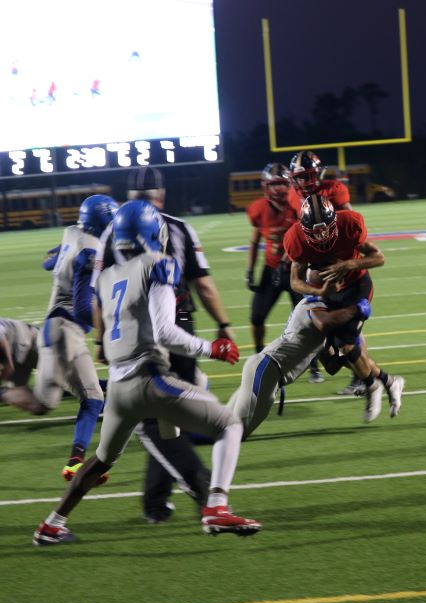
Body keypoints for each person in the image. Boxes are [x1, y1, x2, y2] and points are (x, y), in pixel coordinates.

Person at [33, 201, 260, 545]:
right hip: (149, 380)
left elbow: (107, 332)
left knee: (101, 460)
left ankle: (51, 525)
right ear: (155, 232)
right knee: (230, 423)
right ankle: (215, 507)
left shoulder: (107, 276)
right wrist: (212, 348)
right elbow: (166, 332)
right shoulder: (160, 263)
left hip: (120, 390)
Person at [93, 166, 230, 523]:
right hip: (175, 328)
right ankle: (199, 489)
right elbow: (204, 284)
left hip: (131, 333)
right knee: (165, 420)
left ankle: (158, 502)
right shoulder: (180, 228)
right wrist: (223, 326)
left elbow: (98, 294)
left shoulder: (111, 233)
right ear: (162, 195)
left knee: (162, 420)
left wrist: (100, 339)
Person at [284, 195, 405, 423]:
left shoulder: (349, 224)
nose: (321, 235)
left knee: (347, 347)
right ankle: (389, 380)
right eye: (314, 232)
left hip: (356, 287)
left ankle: (372, 386)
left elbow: (379, 257)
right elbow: (295, 281)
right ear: (303, 228)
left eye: (325, 229)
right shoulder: (296, 238)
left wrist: (348, 264)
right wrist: (320, 292)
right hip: (327, 294)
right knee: (331, 362)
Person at [34, 194, 117, 482]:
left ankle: (75, 462)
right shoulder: (91, 251)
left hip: (51, 328)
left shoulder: (72, 232)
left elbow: (47, 261)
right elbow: (83, 308)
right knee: (73, 399)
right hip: (66, 330)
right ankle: (76, 462)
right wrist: (103, 328)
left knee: (88, 396)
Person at [227, 296, 372, 436]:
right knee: (233, 432)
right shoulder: (315, 307)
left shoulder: (325, 316)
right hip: (265, 370)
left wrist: (347, 349)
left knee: (224, 428)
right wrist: (355, 314)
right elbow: (325, 323)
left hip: (269, 380)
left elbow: (331, 366)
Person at [288, 151, 364, 396]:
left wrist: (345, 264)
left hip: (338, 265)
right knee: (319, 324)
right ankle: (327, 366)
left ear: (318, 173)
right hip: (314, 266)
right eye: (298, 177)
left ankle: (359, 375)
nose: (303, 182)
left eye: (307, 176)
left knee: (348, 328)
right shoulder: (293, 196)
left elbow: (348, 226)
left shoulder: (334, 190)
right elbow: (299, 229)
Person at [245, 163, 323, 382]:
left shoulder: (298, 205)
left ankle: (313, 364)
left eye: (282, 183)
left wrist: (287, 260)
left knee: (308, 319)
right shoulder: (258, 209)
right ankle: (258, 354)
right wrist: (250, 270)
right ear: (265, 186)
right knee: (256, 316)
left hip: (296, 269)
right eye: (274, 184)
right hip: (270, 270)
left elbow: (305, 236)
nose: (279, 188)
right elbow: (254, 241)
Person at [0, 318, 47, 414]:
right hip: (19, 350)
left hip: (30, 342)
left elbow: (8, 367)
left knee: (72, 375)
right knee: (38, 407)